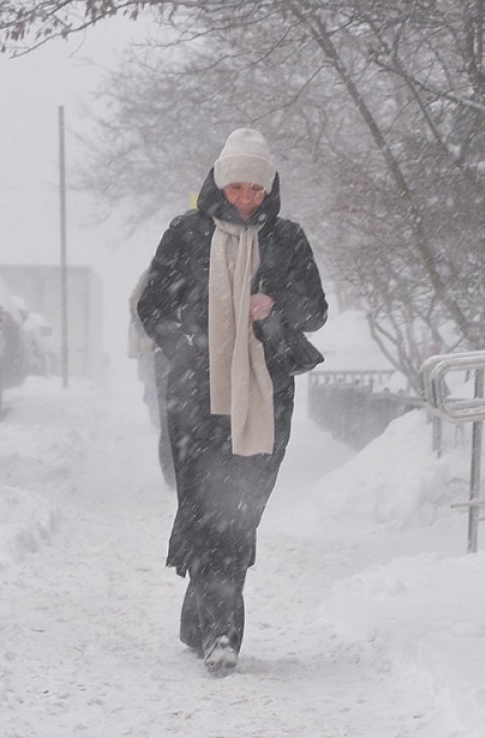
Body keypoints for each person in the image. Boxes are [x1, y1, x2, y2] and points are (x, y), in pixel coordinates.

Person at [136, 128, 327, 673]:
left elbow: (315, 310)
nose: (246, 198)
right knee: (204, 508)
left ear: (269, 190)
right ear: (220, 183)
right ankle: (222, 632)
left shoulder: (287, 239)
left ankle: (201, 617)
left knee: (241, 511)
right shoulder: (186, 234)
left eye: (256, 189)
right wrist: (190, 343)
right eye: (238, 186)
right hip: (198, 394)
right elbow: (152, 307)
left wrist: (275, 305)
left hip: (265, 395)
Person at [128, 270, 176, 488]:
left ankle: (176, 477)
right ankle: (174, 478)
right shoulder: (158, 270)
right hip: (163, 350)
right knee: (170, 417)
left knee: (170, 418)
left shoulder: (159, 270)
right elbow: (137, 303)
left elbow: (136, 302)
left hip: (163, 350)